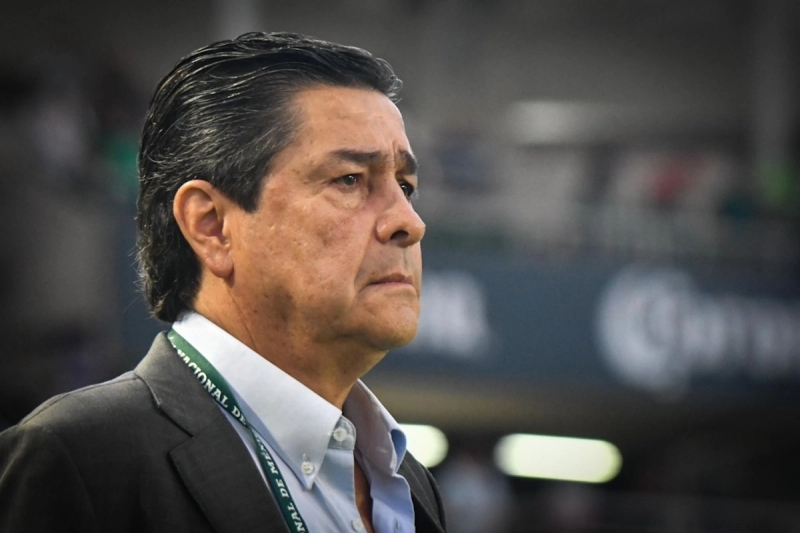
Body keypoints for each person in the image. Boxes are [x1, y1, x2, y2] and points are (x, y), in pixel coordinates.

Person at [0, 32, 446, 533]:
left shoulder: (410, 482)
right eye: (349, 179)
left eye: (405, 186)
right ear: (211, 225)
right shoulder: (77, 460)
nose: (409, 222)